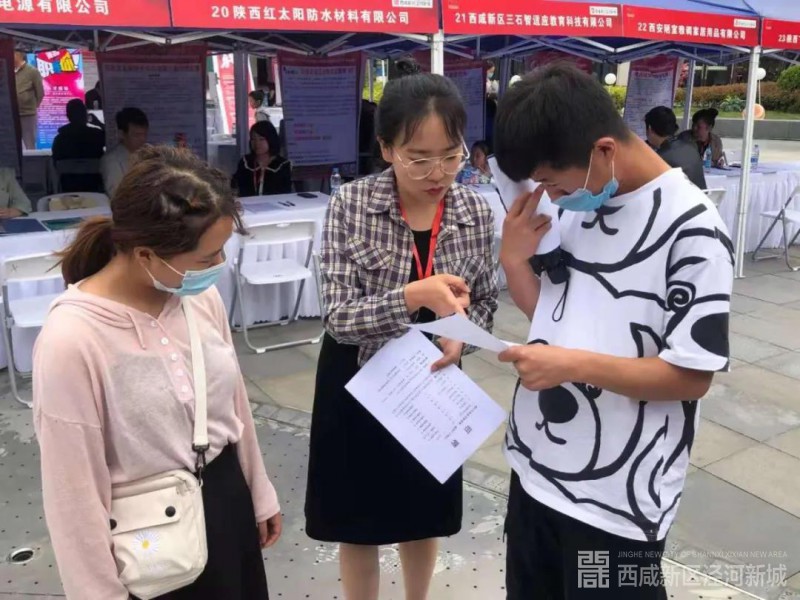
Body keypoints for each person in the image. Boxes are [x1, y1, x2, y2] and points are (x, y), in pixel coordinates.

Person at [494, 65, 733, 600]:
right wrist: (514, 261)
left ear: (603, 150)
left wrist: (570, 365)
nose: (550, 196)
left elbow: (691, 376)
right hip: (535, 469)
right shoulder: (580, 200)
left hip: (617, 500)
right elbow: (553, 315)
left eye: (552, 183)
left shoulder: (693, 229)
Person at [33, 146, 282, 600]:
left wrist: (258, 490)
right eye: (207, 258)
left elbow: (233, 403)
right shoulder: (72, 339)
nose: (219, 267)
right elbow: (72, 490)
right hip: (145, 533)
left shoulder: (198, 297)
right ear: (146, 255)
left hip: (224, 498)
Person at [305, 65, 498, 600]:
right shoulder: (353, 205)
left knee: (423, 513)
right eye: (419, 157)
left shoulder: (474, 211)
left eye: (451, 155)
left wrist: (463, 334)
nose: (438, 172)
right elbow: (338, 318)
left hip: (431, 383)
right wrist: (412, 296)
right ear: (387, 148)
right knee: (355, 521)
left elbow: (485, 299)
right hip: (358, 379)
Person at [644, 106, 707, 189]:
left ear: (649, 129)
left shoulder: (659, 158)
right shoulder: (692, 148)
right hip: (701, 196)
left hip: (682, 197)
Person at [51, 99, 106, 193]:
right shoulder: (97, 136)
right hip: (95, 187)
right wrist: (99, 124)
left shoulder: (59, 140)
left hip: (68, 187)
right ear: (85, 115)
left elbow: (55, 163)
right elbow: (112, 139)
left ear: (68, 116)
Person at [231, 121, 292, 197]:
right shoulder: (245, 162)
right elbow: (235, 186)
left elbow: (286, 192)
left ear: (271, 139)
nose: (257, 143)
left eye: (261, 139)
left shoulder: (283, 165)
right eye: (253, 139)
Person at [101, 107, 149, 197]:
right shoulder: (111, 161)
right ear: (122, 134)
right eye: (137, 135)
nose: (142, 139)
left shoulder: (148, 155)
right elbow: (117, 195)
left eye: (145, 134)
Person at [14, 50, 44, 150]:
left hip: (27, 114)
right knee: (12, 144)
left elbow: (40, 93)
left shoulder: (32, 71)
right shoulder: (8, 70)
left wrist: (32, 106)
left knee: (29, 144)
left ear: (19, 55)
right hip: (11, 115)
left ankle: (31, 160)